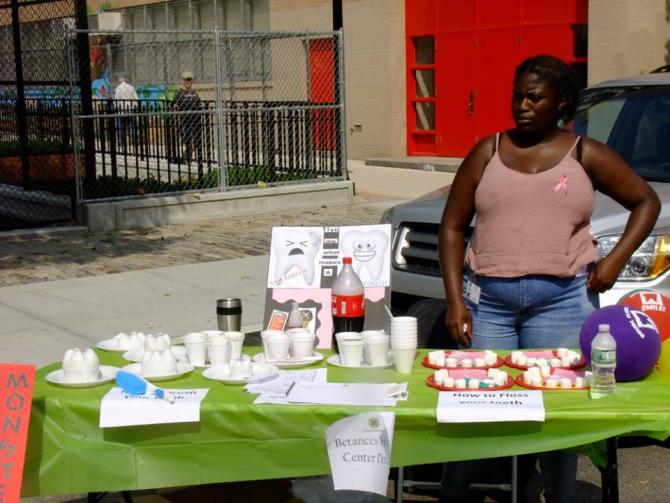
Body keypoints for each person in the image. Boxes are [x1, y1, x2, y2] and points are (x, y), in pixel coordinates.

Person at [437, 55, 660, 503]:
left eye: (533, 97)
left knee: (558, 416)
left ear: (560, 102)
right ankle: (456, 495)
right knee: (471, 407)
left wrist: (614, 261)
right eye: (517, 95)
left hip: (562, 302)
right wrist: (456, 301)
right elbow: (452, 227)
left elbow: (645, 202)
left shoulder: (586, 154)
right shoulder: (488, 151)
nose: (521, 105)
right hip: (489, 304)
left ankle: (558, 496)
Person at [172, 71, 202, 163]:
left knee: (195, 142)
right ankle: (186, 158)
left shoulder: (194, 93)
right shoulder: (179, 93)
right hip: (184, 121)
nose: (187, 82)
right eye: (186, 80)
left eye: (189, 80)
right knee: (188, 141)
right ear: (183, 81)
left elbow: (199, 104)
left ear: (192, 81)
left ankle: (185, 157)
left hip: (195, 121)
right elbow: (174, 105)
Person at [113, 76, 138, 148]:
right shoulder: (131, 87)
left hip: (122, 110)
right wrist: (134, 106)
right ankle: (134, 138)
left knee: (121, 126)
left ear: (119, 81)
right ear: (125, 81)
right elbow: (136, 98)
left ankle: (122, 141)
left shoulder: (118, 88)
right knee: (130, 124)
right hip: (130, 109)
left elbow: (117, 100)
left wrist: (116, 108)